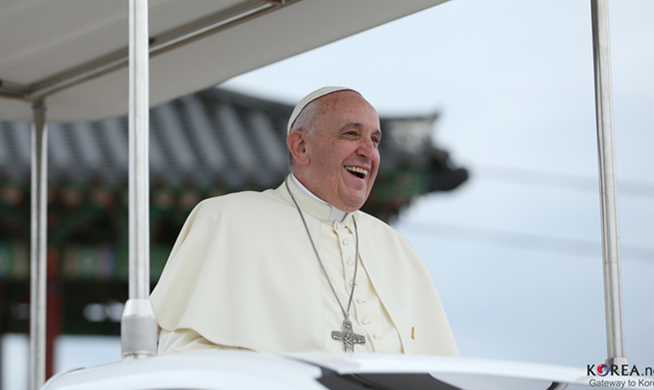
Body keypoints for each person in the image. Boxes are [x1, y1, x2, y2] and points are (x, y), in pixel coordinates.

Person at [150, 87, 458, 355]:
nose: (368, 152)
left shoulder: (399, 250)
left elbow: (437, 371)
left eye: (375, 140)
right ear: (300, 147)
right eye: (351, 134)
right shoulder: (227, 220)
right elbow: (181, 357)